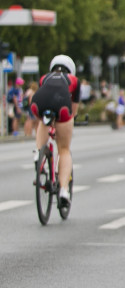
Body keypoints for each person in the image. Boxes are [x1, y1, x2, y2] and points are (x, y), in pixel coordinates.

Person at [30, 55, 80, 208]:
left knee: (43, 121)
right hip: (62, 105)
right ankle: (64, 190)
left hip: (38, 103)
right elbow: (74, 110)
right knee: (64, 149)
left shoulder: (45, 77)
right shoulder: (74, 81)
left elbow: (46, 95)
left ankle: (39, 152)